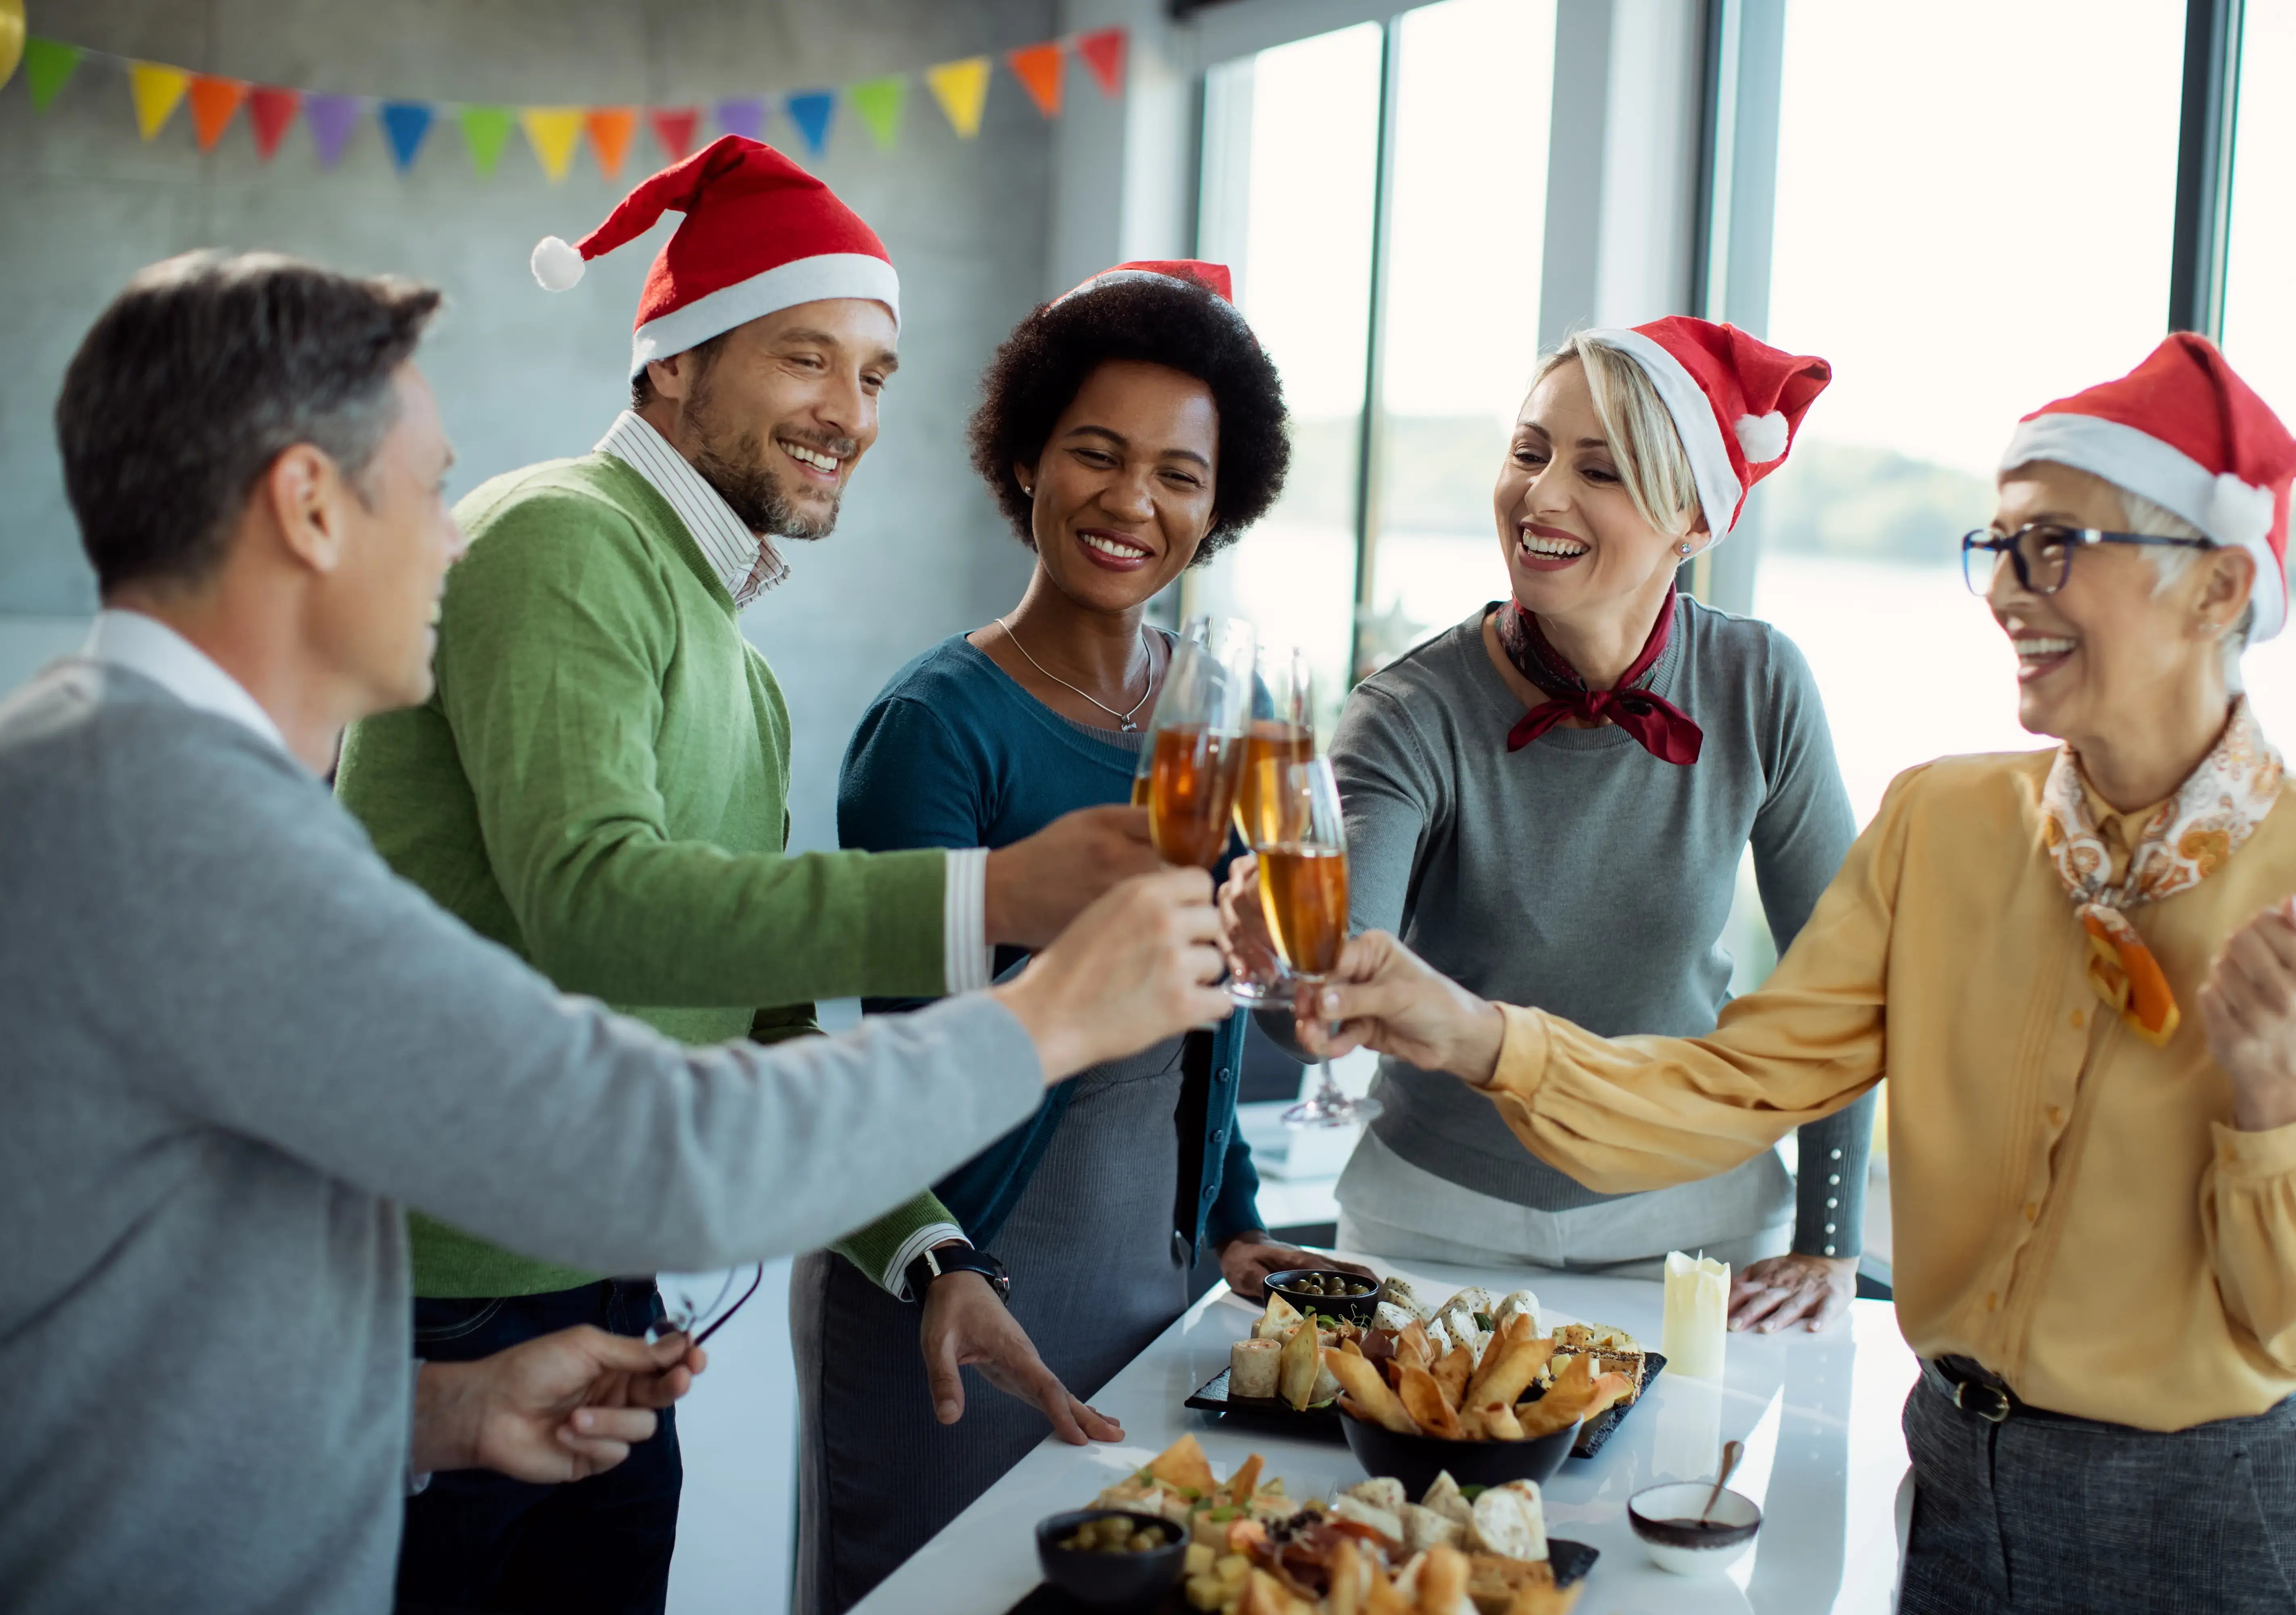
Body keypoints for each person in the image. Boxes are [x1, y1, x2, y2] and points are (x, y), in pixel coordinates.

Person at [0, 248, 1233, 1615]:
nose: (455, 540)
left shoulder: (103, 775)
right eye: (428, 490)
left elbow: (136, 1317)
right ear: (306, 505)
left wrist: (434, 1413)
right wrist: (1048, 1013)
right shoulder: (190, 833)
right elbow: (661, 1143)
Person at [1293, 333, 2296, 1611]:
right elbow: (1736, 1087)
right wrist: (1477, 1036)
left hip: (2218, 1512)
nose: (2007, 591)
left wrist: (2280, 1103)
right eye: (1999, 546)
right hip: (1953, 1480)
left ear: (2222, 588)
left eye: (2056, 546)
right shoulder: (1941, 825)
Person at [331, 138, 1162, 1612]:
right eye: (805, 358)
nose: (851, 414)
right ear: (671, 361)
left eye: (876, 376)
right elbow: (592, 899)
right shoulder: (562, 536)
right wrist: (994, 897)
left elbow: (763, 1029)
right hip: (435, 1308)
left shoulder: (742, 669)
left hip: (604, 1298)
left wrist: (933, 1258)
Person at [799, 261, 1364, 1612]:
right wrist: (950, 1268)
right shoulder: (938, 726)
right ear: (1026, 460)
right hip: (964, 1285)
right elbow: (903, 1066)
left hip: (1152, 1284)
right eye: (1097, 455)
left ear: (1221, 504)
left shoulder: (1210, 720)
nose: (1132, 502)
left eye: (1179, 474)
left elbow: (1193, 1022)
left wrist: (1230, 1222)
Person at [1223, 318, 1874, 1330]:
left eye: (1598, 471)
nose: (1542, 495)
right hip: (1436, 1224)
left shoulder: (1760, 683)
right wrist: (1292, 972)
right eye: (1530, 452)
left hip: (1700, 1225)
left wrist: (1830, 1239)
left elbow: (1840, 982)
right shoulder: (1408, 710)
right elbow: (1331, 990)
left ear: (1693, 520)